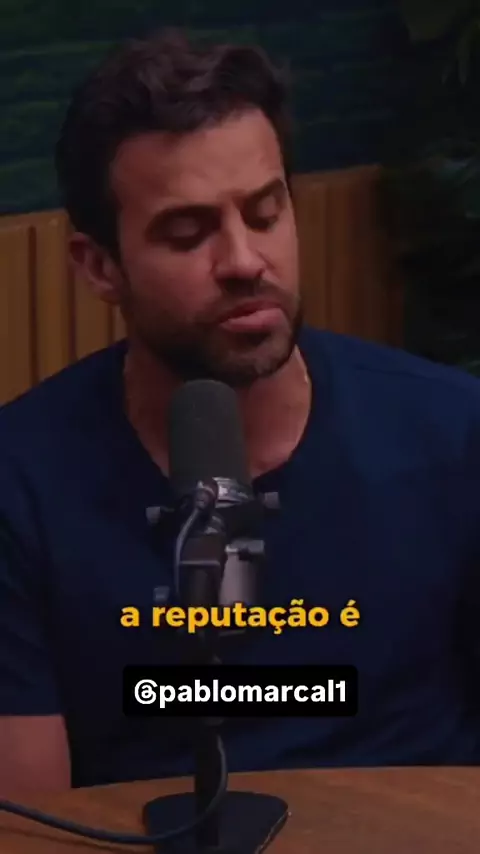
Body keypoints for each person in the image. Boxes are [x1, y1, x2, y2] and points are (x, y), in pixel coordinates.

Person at [0, 28, 480, 798]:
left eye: (264, 213)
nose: (245, 262)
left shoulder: (456, 434)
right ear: (99, 267)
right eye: (187, 234)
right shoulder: (19, 483)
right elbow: (29, 825)